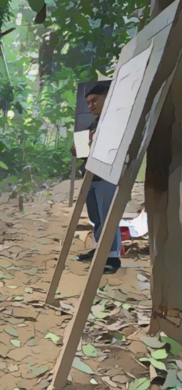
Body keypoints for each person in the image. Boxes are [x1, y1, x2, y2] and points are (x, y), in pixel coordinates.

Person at [71, 83, 122, 274]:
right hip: (91, 175)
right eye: (89, 102)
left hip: (107, 176)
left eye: (94, 100)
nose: (91, 105)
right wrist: (79, 149)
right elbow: (86, 151)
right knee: (97, 218)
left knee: (109, 218)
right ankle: (100, 250)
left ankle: (113, 258)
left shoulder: (117, 122)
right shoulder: (95, 122)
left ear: (107, 97)